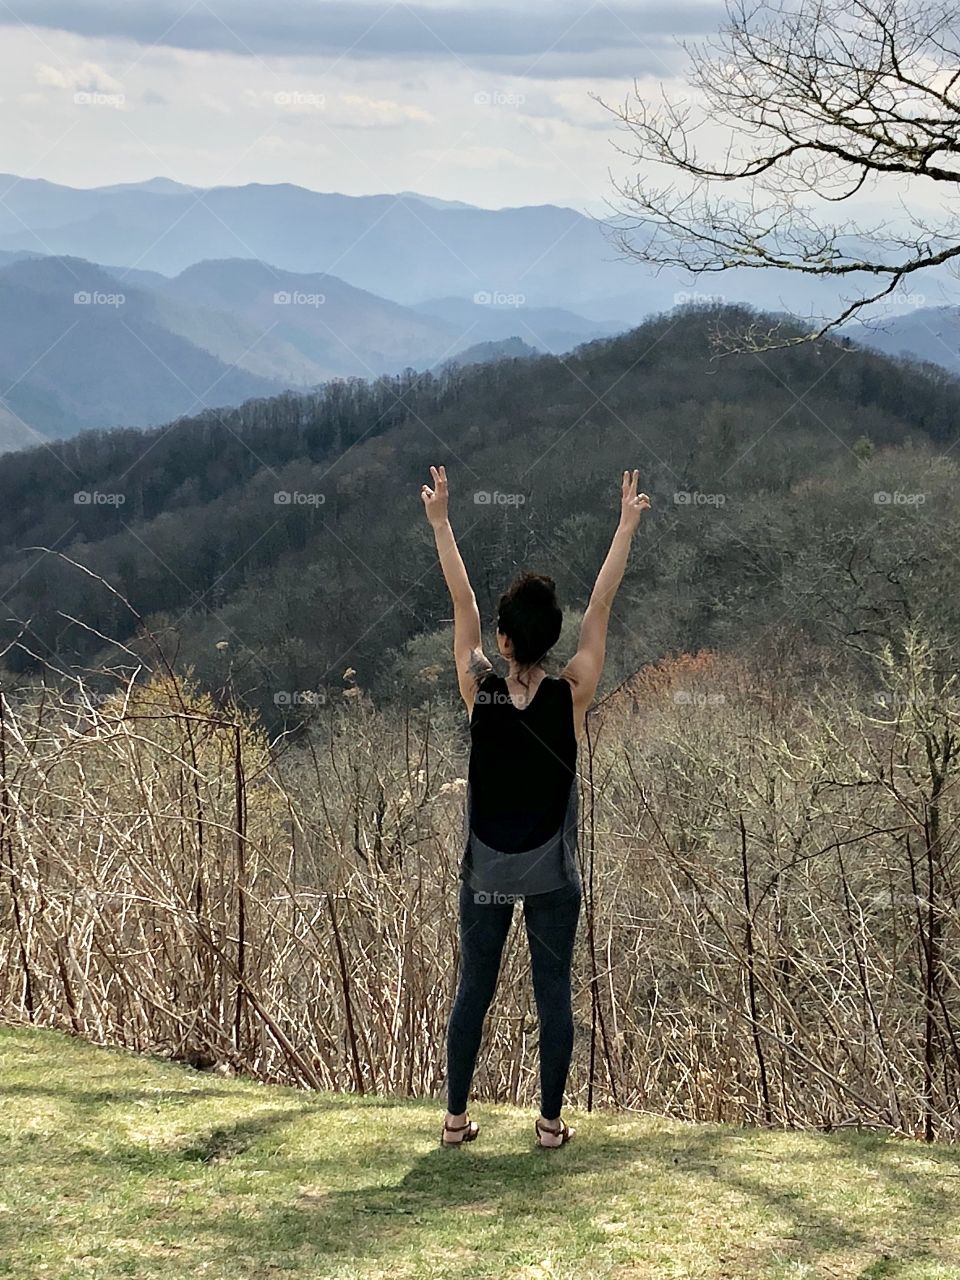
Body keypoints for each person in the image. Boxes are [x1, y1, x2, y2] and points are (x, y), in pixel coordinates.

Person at [421, 466, 651, 1148]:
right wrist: (626, 525)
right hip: (552, 875)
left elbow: (461, 601)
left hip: (487, 874)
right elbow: (602, 605)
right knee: (553, 993)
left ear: (503, 640)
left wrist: (441, 523)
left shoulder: (479, 690)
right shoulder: (572, 694)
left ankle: (456, 1122)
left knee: (474, 990)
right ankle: (550, 1126)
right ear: (551, 638)